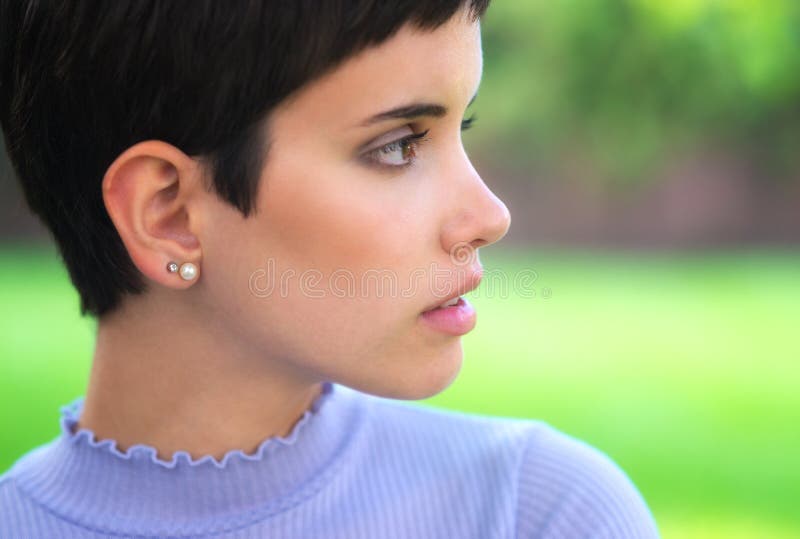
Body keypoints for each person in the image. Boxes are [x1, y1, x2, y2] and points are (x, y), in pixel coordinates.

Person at [0, 1, 660, 537]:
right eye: (399, 146)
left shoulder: (538, 513)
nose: (489, 215)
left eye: (465, 125)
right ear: (168, 212)